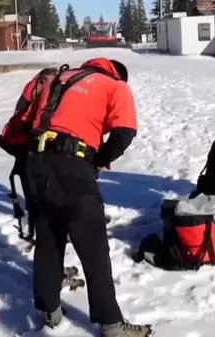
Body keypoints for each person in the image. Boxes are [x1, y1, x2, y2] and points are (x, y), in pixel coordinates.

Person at [26, 58, 152, 337]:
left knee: (48, 237)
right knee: (93, 243)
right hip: (71, 165)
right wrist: (100, 160)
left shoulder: (61, 78)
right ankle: (111, 323)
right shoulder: (115, 86)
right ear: (117, 74)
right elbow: (124, 132)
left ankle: (50, 310)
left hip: (35, 162)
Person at [0, 67, 58, 243]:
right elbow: (28, 120)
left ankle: (39, 227)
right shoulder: (35, 93)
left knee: (38, 190)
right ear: (41, 81)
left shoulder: (34, 90)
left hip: (26, 144)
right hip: (25, 145)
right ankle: (38, 231)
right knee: (35, 192)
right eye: (47, 82)